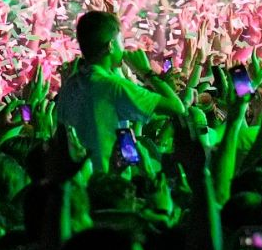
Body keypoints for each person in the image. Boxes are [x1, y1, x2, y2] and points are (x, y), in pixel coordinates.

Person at [55, 10, 187, 172]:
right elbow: (177, 108)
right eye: (122, 41)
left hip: (79, 180)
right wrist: (146, 72)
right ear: (111, 45)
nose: (124, 48)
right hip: (109, 183)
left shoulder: (71, 84)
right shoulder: (112, 87)